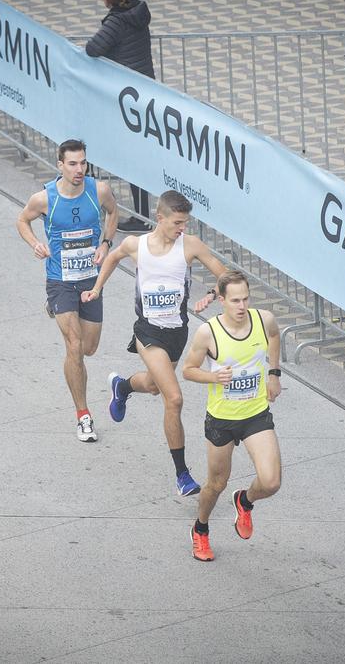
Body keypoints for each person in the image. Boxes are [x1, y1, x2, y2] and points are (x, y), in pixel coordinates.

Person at [82, 190, 227, 495]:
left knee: (151, 385)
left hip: (177, 333)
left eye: (185, 223)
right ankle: (182, 474)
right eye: (177, 222)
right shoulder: (137, 245)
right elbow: (112, 257)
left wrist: (212, 296)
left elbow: (226, 276)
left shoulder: (190, 246)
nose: (182, 229)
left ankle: (122, 387)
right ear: (160, 218)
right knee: (173, 398)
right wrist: (96, 289)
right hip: (148, 332)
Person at [17, 139, 118, 442]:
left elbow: (113, 213)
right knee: (74, 347)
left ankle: (56, 309)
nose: (78, 169)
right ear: (60, 165)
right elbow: (22, 220)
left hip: (90, 278)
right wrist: (35, 243)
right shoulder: (44, 198)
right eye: (72, 164)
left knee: (89, 348)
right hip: (60, 280)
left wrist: (105, 243)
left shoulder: (98, 190)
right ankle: (83, 415)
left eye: (82, 163)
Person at [181, 270, 282, 562]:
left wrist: (273, 374)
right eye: (235, 300)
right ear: (222, 300)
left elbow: (274, 336)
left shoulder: (263, 320)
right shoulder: (208, 333)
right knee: (216, 484)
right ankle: (200, 529)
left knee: (272, 482)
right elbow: (188, 370)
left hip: (255, 414)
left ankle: (245, 501)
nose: (242, 306)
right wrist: (214, 378)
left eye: (245, 299)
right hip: (222, 419)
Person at [85, 0, 153, 234]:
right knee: (136, 156)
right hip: (142, 92)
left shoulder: (116, 22)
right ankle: (143, 214)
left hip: (125, 98)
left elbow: (93, 48)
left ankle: (140, 217)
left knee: (130, 157)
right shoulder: (139, 14)